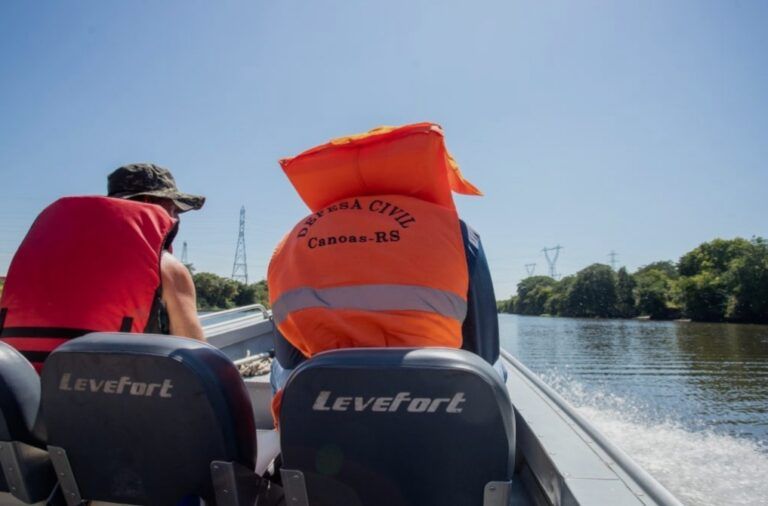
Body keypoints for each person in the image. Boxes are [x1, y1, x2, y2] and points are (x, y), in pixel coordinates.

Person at [267, 123, 505, 418]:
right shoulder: (459, 235)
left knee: (278, 369)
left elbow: (289, 364)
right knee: (498, 368)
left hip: (322, 417)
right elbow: (485, 355)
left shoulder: (290, 241)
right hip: (436, 414)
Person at [0, 163, 205, 371]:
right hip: (114, 395)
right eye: (174, 208)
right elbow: (199, 362)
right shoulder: (168, 268)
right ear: (148, 202)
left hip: (25, 393)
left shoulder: (41, 257)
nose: (176, 218)